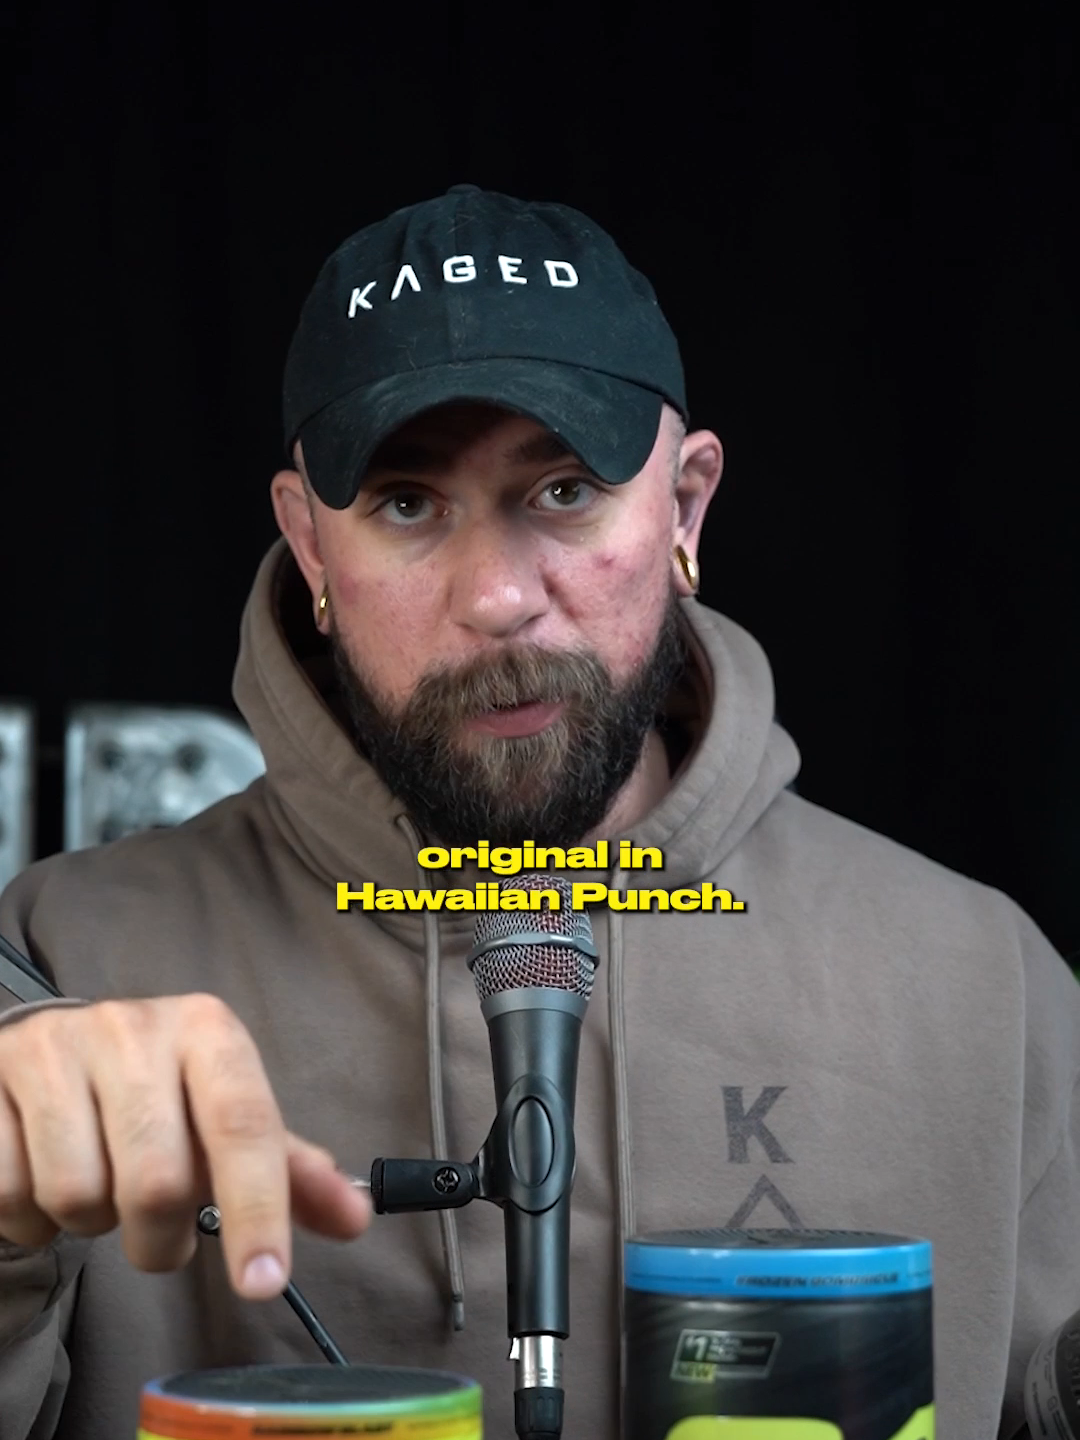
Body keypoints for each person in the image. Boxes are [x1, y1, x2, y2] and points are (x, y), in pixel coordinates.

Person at [0, 184, 1076, 1440]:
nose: (501, 597)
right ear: (307, 546)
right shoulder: (65, 962)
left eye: (564, 490)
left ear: (684, 507)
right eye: (408, 504)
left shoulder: (986, 983)